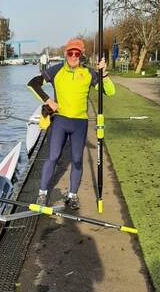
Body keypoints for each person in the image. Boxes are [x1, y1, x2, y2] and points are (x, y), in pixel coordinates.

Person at [27, 38, 115, 209]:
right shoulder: (57, 70)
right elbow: (33, 84)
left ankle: (72, 195)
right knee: (53, 157)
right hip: (60, 121)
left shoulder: (89, 73)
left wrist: (104, 74)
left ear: (81, 55)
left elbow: (109, 92)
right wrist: (48, 100)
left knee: (76, 160)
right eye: (70, 53)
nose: (73, 56)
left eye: (77, 53)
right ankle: (42, 194)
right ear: (66, 54)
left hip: (79, 124)